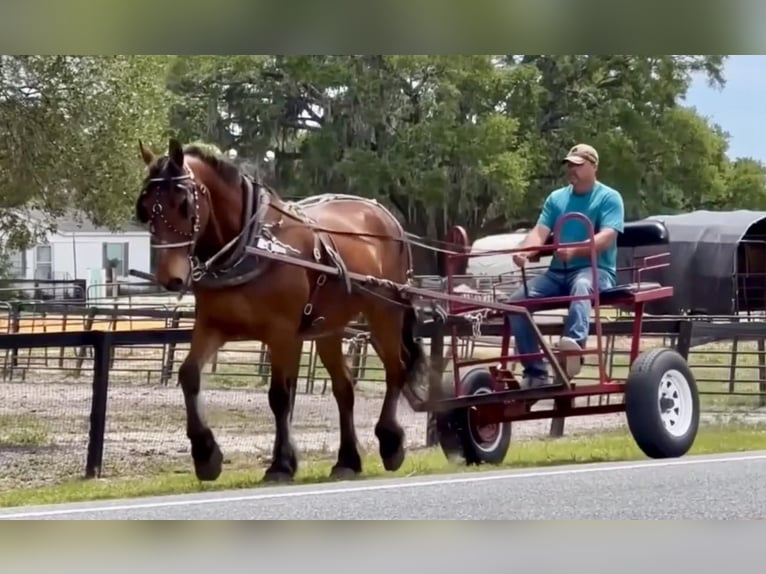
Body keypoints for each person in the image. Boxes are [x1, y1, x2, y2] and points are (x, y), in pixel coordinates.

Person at [502, 143, 625, 388]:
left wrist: (576, 249)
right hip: (557, 273)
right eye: (570, 164)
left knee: (582, 285)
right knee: (516, 304)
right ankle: (535, 372)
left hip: (596, 270)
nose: (572, 169)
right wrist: (525, 252)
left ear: (593, 166)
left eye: (578, 165)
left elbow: (607, 237)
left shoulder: (610, 198)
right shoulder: (556, 199)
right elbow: (539, 232)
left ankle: (573, 348)